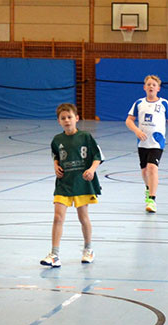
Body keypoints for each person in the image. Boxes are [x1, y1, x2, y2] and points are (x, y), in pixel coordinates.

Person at [40, 103, 104, 268]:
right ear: (58, 121)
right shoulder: (57, 140)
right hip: (64, 183)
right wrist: (55, 166)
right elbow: (56, 155)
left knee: (83, 217)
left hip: (82, 183)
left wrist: (91, 169)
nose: (67, 120)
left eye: (69, 117)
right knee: (57, 217)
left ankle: (88, 249)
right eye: (63, 118)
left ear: (76, 118)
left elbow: (98, 156)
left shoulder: (85, 137)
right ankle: (54, 254)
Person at [125, 74, 168, 213]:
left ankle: (152, 200)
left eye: (154, 85)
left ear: (158, 88)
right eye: (148, 84)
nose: (151, 87)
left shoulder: (164, 104)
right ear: (144, 87)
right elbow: (129, 120)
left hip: (157, 142)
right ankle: (148, 188)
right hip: (142, 142)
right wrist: (137, 131)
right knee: (144, 171)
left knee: (152, 168)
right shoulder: (139, 103)